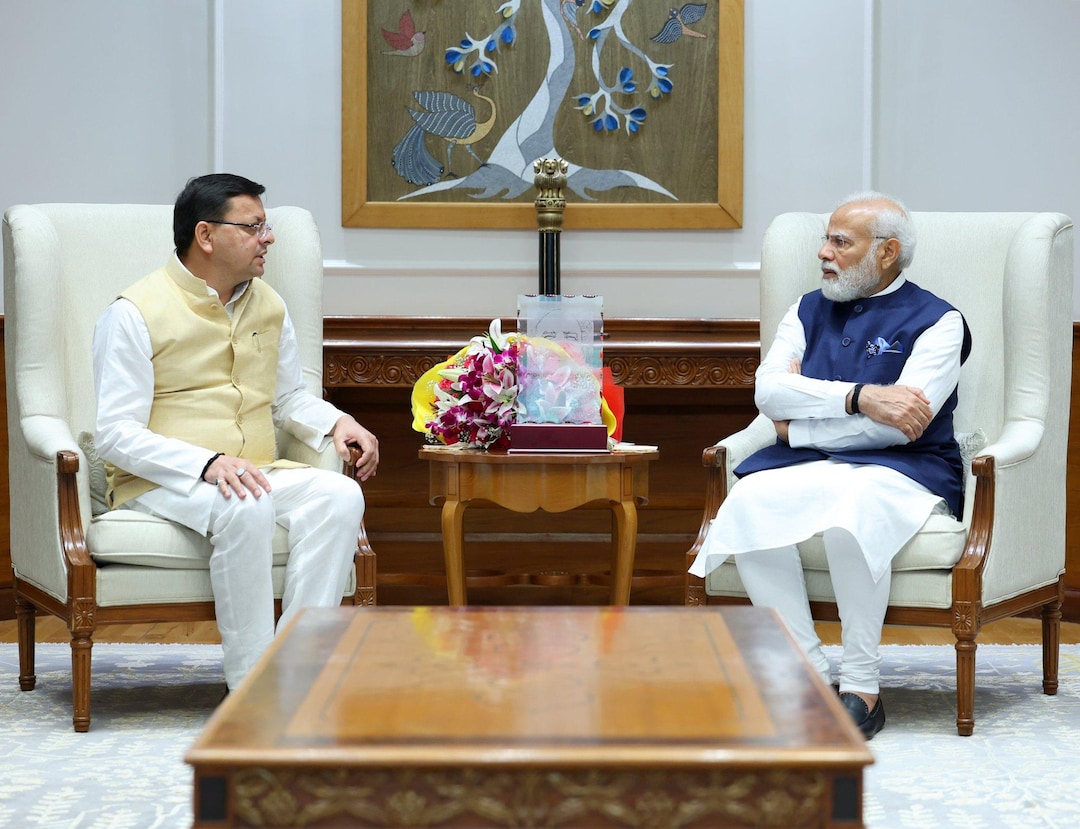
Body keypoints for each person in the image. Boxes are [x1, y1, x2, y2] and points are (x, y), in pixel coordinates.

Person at [689, 192, 970, 739]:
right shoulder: (805, 309)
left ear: (886, 252)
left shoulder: (940, 322)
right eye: (826, 240)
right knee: (750, 499)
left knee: (852, 508)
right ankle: (807, 672)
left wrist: (801, 425)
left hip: (903, 468)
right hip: (811, 463)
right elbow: (769, 393)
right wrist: (859, 397)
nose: (824, 253)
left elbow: (899, 427)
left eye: (841, 242)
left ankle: (862, 686)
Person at [92, 173, 379, 691]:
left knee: (339, 494)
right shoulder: (133, 312)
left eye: (265, 227)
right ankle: (252, 689)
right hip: (162, 481)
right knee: (245, 504)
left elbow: (287, 399)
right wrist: (205, 463)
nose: (268, 238)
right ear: (205, 235)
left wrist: (338, 421)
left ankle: (296, 674)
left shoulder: (269, 305)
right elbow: (114, 433)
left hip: (257, 469)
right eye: (253, 227)